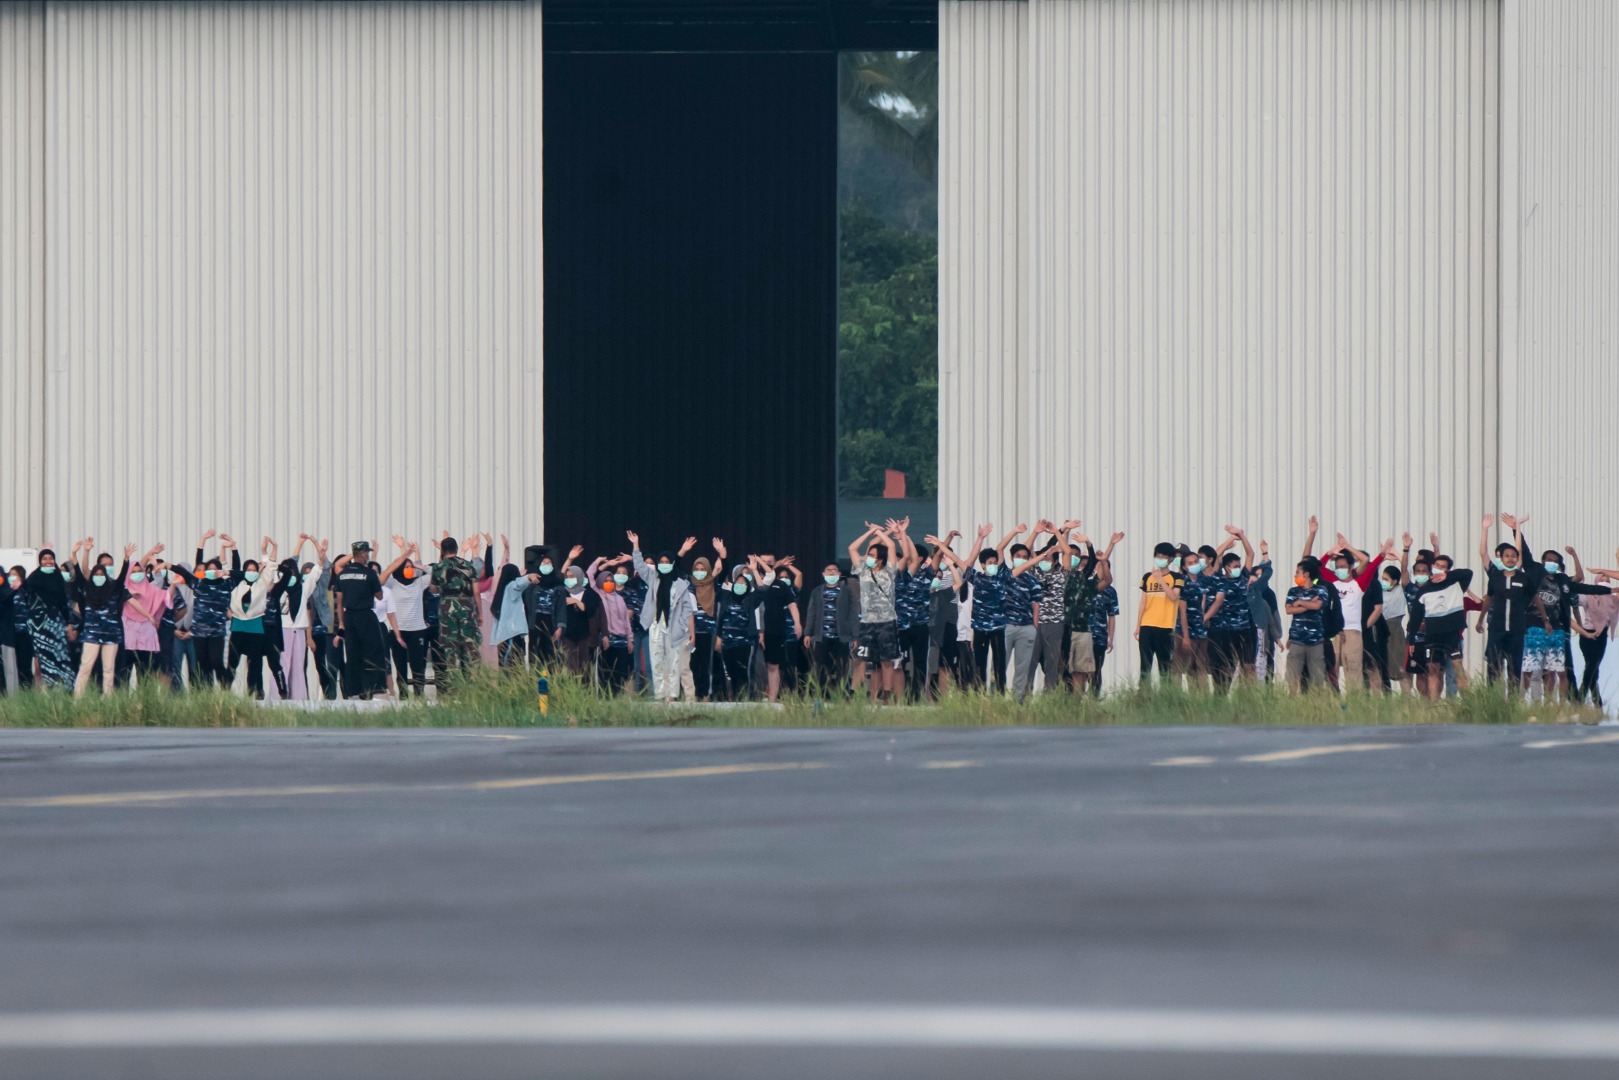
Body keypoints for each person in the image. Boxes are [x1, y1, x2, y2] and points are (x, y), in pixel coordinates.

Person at [1315, 533, 1390, 692]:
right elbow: (1317, 568)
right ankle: (1332, 700)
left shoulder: (1358, 585)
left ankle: (1355, 701)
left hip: (1353, 631)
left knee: (1353, 669)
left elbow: (1367, 562)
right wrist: (1330, 554)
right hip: (1335, 633)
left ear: (1351, 567)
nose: (1340, 570)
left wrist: (1348, 546)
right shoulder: (1332, 581)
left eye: (1343, 567)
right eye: (1338, 567)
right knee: (1330, 668)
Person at [629, 532, 698, 703]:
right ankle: (661, 694)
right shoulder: (653, 578)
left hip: (674, 627)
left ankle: (675, 695)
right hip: (656, 624)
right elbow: (639, 564)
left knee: (675, 662)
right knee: (657, 660)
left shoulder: (681, 583)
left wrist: (682, 626)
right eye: (662, 562)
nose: (664, 565)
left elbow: (687, 609)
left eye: (667, 562)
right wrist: (636, 545)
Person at [73, 543, 142, 698]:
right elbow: (80, 571)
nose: (100, 575)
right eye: (98, 571)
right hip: (92, 635)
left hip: (111, 635)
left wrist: (126, 559)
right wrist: (81, 552)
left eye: (108, 567)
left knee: (109, 669)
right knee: (86, 667)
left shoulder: (114, 587)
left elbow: (123, 578)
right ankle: (77, 699)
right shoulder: (88, 587)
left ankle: (108, 700)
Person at [173, 530, 238, 689]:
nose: (210, 570)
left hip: (216, 631)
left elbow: (238, 572)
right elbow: (196, 564)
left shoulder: (225, 585)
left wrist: (234, 548)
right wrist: (202, 540)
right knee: (203, 665)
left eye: (215, 568)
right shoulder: (200, 585)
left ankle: (226, 682)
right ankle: (205, 695)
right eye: (208, 569)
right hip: (199, 632)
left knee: (216, 661)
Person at [847, 523, 902, 702]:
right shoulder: (862, 571)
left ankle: (886, 692)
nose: (868, 557)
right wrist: (871, 531)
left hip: (886, 621)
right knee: (861, 658)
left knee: (886, 659)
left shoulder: (889, 571)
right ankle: (854, 691)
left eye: (871, 555)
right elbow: (852, 548)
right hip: (867, 622)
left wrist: (882, 532)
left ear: (879, 559)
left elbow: (892, 546)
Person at [1408, 553, 1474, 700]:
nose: (1439, 569)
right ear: (1432, 567)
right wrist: (1411, 638)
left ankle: (1468, 702)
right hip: (1433, 634)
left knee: (1458, 667)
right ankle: (1433, 705)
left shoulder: (1456, 583)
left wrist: (1448, 576)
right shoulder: (1424, 589)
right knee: (1433, 669)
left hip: (1451, 633)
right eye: (1437, 566)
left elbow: (1468, 573)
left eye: (1443, 567)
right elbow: (1415, 617)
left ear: (1448, 570)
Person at [225, 539, 286, 699]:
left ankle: (254, 693)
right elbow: (232, 568)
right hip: (238, 627)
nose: (251, 572)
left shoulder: (261, 584)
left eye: (254, 569)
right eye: (248, 570)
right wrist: (232, 548)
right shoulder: (237, 584)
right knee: (233, 662)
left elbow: (271, 567)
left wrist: (271, 549)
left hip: (256, 628)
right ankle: (224, 692)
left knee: (255, 664)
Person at [1478, 514, 1532, 686]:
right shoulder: (1494, 573)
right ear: (1500, 557)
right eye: (1505, 555)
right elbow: (1483, 552)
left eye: (1512, 556)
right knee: (1494, 665)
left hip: (1515, 625)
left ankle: (1513, 699)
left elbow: (1519, 551)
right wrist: (1485, 528)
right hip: (1496, 623)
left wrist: (1516, 528)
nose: (1510, 558)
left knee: (1514, 665)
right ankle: (1492, 698)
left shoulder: (1518, 573)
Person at [332, 541, 388, 699]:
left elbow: (339, 601)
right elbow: (379, 596)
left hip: (349, 617)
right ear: (363, 554)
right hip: (365, 615)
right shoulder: (369, 574)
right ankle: (374, 689)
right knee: (373, 652)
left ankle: (354, 691)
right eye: (367, 553)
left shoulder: (343, 574)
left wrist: (341, 623)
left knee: (352, 654)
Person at [1203, 525, 1257, 689]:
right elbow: (1216, 556)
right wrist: (1229, 541)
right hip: (1225, 629)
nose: (1238, 569)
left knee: (1248, 665)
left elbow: (1251, 554)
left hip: (1244, 627)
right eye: (1234, 566)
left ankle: (1249, 697)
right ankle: (1222, 693)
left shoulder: (1243, 577)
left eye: (1239, 566)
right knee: (1226, 665)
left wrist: (1241, 535)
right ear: (1226, 567)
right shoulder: (1219, 578)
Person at [384, 537, 433, 698]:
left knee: (418, 666)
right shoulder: (393, 584)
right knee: (400, 669)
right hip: (397, 632)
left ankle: (419, 697)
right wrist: (403, 551)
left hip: (417, 630)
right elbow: (384, 576)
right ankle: (403, 697)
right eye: (406, 567)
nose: (409, 569)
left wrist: (419, 565)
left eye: (410, 567)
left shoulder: (419, 583)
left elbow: (435, 574)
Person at [431, 534, 482, 685]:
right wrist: (480, 613)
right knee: (469, 644)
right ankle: (472, 682)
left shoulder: (438, 567)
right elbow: (476, 592)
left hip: (447, 607)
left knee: (450, 645)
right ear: (456, 549)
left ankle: (454, 684)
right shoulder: (468, 565)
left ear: (443, 550)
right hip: (467, 606)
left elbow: (433, 589)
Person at [24, 548, 75, 689]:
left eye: (50, 559)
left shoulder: (58, 577)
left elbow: (63, 602)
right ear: (40, 561)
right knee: (42, 659)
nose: (48, 561)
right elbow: (25, 593)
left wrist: (69, 623)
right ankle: (43, 692)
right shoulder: (33, 578)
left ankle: (61, 690)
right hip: (38, 625)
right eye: (44, 559)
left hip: (56, 624)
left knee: (59, 655)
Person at [805, 560, 858, 694]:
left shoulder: (846, 592)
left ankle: (842, 694)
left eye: (834, 570)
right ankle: (820, 694)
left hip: (842, 635)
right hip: (822, 635)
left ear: (839, 574)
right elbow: (811, 612)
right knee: (820, 667)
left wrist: (855, 636)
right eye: (828, 570)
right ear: (823, 574)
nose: (831, 572)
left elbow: (852, 614)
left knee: (842, 666)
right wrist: (807, 633)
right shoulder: (817, 591)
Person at [1136, 542, 1183, 685]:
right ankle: (1143, 694)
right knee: (1145, 664)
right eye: (1158, 555)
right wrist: (1138, 626)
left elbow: (1174, 597)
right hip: (1147, 624)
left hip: (1165, 626)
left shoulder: (1177, 577)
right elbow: (1143, 602)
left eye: (1164, 556)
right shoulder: (1147, 577)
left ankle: (1165, 695)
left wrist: (1161, 581)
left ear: (1171, 559)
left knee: (1164, 664)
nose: (1160, 558)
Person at [590, 557, 635, 694]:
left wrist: (630, 639)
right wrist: (602, 563)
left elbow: (626, 621)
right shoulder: (599, 595)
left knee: (619, 673)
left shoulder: (620, 598)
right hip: (606, 639)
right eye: (606, 581)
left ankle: (616, 699)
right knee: (605, 671)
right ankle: (604, 698)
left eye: (611, 581)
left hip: (621, 640)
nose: (609, 583)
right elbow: (590, 574)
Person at [1284, 560, 1332, 691]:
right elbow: (1289, 610)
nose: (1295, 576)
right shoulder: (1293, 591)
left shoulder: (1321, 590)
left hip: (1316, 640)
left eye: (1297, 573)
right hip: (1297, 639)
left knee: (1317, 679)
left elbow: (1318, 606)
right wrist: (1309, 604)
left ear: (1306, 574)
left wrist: (1299, 602)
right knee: (1292, 677)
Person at [716, 565, 762, 700]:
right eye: (738, 582)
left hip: (744, 641)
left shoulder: (751, 599)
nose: (740, 584)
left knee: (742, 671)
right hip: (727, 641)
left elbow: (762, 589)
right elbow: (716, 586)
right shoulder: (726, 596)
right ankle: (734, 698)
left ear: (748, 586)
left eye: (744, 583)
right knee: (730, 672)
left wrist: (754, 570)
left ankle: (741, 699)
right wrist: (721, 566)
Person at [688, 542, 727, 699]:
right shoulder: (689, 585)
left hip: (708, 631)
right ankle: (693, 694)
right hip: (691, 631)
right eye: (696, 570)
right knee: (691, 664)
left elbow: (723, 571)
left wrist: (722, 554)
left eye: (702, 569)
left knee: (705, 665)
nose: (699, 572)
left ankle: (704, 694)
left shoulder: (714, 586)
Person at [555, 562, 605, 677]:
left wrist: (577, 602)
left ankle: (585, 692)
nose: (569, 579)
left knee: (585, 666)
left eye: (572, 576)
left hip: (585, 635)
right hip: (567, 635)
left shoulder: (589, 594)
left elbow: (591, 611)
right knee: (571, 666)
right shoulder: (562, 592)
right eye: (567, 577)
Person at [1244, 545, 1282, 681]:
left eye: (1259, 577)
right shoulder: (1242, 590)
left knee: (1264, 665)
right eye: (1255, 575)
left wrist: (1277, 637)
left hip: (1263, 634)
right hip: (1244, 632)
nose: (1257, 578)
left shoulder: (1263, 593)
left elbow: (1271, 619)